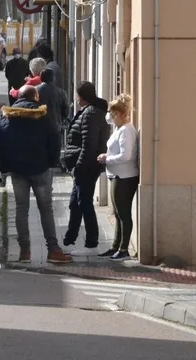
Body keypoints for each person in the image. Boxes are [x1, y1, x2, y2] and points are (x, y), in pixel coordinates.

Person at [0, 85, 73, 264]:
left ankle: (25, 251)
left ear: (18, 98)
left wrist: (5, 166)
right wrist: (52, 162)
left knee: (21, 208)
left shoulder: (7, 117)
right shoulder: (43, 116)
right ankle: (53, 250)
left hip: (17, 170)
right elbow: (55, 140)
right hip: (40, 169)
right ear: (36, 97)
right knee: (46, 209)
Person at [61, 81, 110, 255]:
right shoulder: (90, 111)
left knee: (84, 202)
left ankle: (91, 243)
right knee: (75, 203)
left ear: (80, 96)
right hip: (84, 165)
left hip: (87, 166)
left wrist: (80, 166)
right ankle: (70, 239)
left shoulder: (90, 114)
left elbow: (89, 144)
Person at [97, 94, 139, 260]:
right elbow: (107, 117)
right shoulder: (119, 128)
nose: (112, 117)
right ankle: (116, 246)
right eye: (112, 114)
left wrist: (107, 158)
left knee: (123, 213)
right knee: (117, 213)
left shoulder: (126, 130)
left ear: (123, 114)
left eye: (115, 114)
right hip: (117, 175)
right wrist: (114, 107)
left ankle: (124, 249)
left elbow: (126, 156)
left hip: (124, 176)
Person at [38, 68, 70, 139]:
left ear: (41, 78)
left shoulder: (35, 91)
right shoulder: (61, 92)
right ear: (53, 78)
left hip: (39, 128)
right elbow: (66, 111)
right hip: (55, 128)